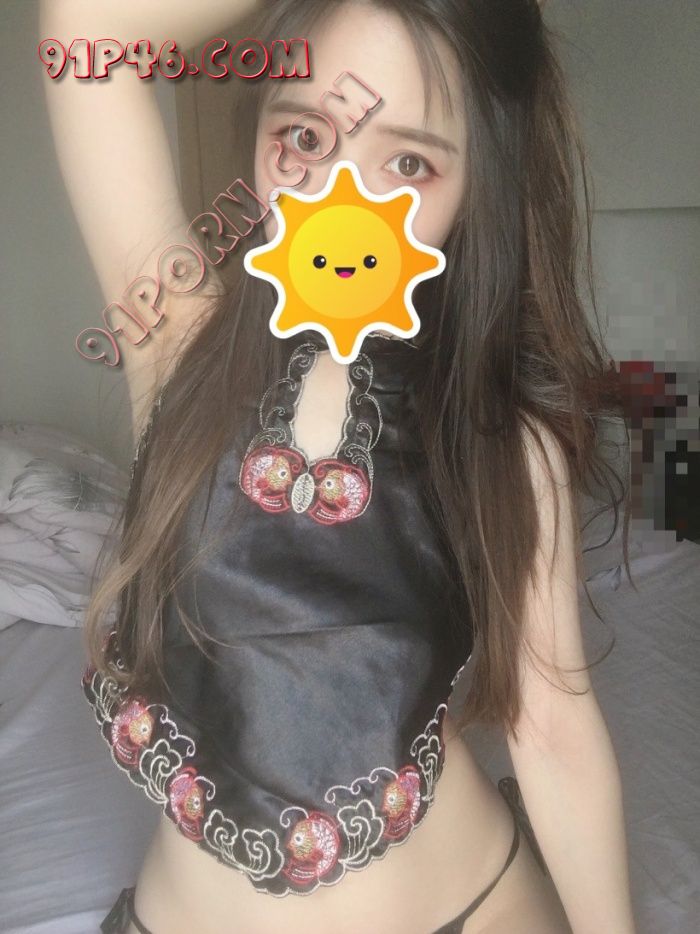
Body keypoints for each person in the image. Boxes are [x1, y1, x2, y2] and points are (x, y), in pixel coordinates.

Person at [40, 1, 638, 932]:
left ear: (479, 187)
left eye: (410, 163)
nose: (343, 199)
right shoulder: (176, 344)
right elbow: (85, 34)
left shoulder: (497, 440)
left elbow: (555, 735)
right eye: (306, 136)